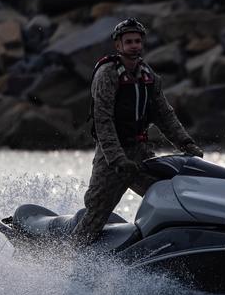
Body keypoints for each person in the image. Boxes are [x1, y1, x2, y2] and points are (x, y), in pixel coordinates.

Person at [72, 17, 203, 245]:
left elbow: (164, 114)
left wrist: (186, 144)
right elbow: (103, 122)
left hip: (141, 154)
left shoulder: (148, 76)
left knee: (169, 197)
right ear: (118, 46)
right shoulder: (107, 75)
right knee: (96, 211)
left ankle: (171, 247)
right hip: (112, 158)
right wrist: (117, 158)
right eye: (129, 41)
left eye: (138, 41)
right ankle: (72, 260)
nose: (134, 45)